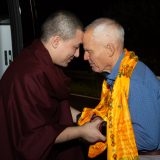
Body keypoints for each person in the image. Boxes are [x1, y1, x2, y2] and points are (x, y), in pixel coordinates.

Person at [0, 10, 106, 160]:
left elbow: (55, 105)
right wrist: (82, 132)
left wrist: (84, 116)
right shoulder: (29, 74)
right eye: (75, 47)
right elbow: (37, 135)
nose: (77, 54)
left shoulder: (40, 58)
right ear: (56, 41)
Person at [80, 17, 160, 159]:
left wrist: (102, 130)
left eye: (89, 51)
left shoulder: (135, 81)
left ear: (109, 49)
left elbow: (148, 140)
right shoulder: (118, 76)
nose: (85, 57)